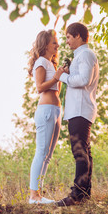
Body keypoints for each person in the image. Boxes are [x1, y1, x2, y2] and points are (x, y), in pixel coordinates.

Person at [54, 22, 99, 207]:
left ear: (78, 36)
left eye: (68, 37)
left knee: (80, 152)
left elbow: (83, 80)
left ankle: (76, 194)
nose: (66, 41)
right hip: (78, 110)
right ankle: (84, 193)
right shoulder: (82, 55)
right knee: (84, 152)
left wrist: (61, 77)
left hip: (80, 110)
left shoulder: (86, 54)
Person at [27, 30, 62, 204]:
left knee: (47, 155)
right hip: (46, 110)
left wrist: (59, 75)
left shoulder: (50, 63)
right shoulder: (41, 62)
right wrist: (57, 77)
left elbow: (57, 90)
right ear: (45, 44)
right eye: (54, 42)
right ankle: (33, 196)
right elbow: (40, 87)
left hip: (55, 111)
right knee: (41, 152)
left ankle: (39, 194)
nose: (57, 45)